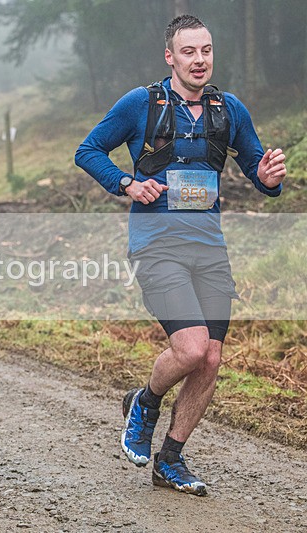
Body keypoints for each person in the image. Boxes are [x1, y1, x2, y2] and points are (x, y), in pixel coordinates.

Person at [75, 14, 287, 496]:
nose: (199, 60)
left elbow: (256, 168)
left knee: (210, 359)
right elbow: (88, 151)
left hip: (210, 249)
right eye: (188, 52)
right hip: (157, 245)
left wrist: (269, 179)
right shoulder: (140, 104)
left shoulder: (228, 109)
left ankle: (170, 457)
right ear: (170, 57)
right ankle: (145, 403)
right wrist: (127, 183)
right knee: (190, 348)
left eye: (206, 51)